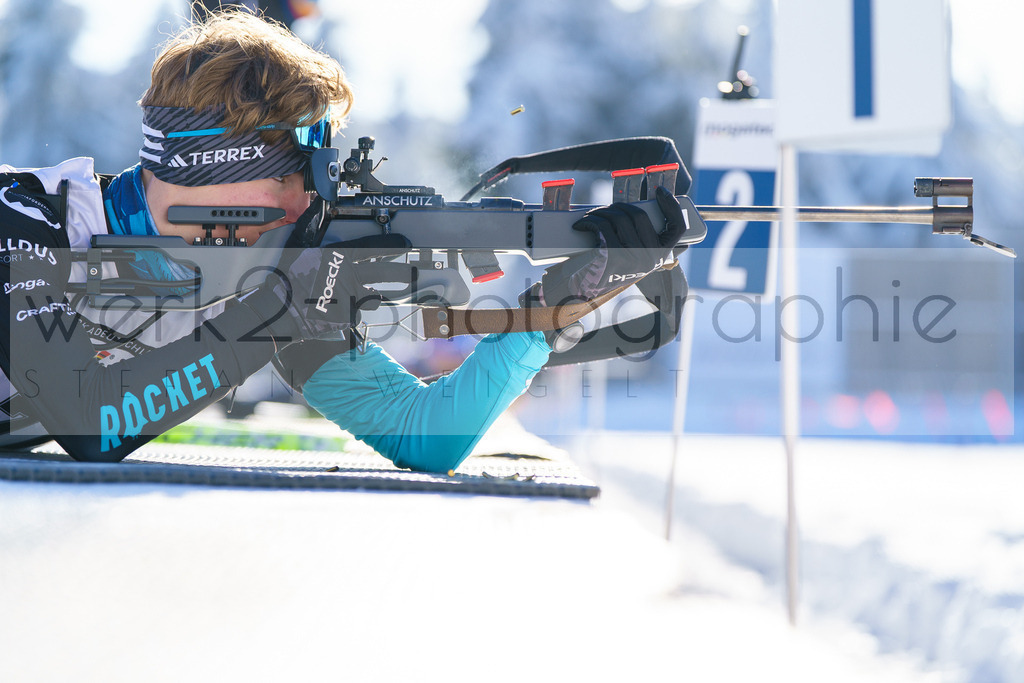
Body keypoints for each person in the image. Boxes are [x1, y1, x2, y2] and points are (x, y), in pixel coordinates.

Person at [0, 8, 684, 471]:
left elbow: (425, 434)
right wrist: (277, 311)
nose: (310, 202)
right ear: (218, 168)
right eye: (297, 176)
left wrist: (550, 308)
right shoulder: (22, 223)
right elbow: (92, 422)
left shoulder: (260, 274)